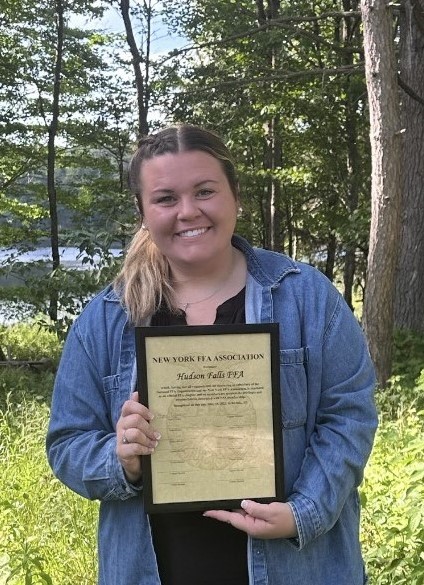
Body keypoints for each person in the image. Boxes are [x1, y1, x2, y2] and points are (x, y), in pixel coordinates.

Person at [46, 124, 378, 585]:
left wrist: (304, 513)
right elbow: (67, 443)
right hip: (155, 567)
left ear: (234, 196)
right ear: (143, 211)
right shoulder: (106, 319)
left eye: (205, 191)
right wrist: (120, 458)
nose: (188, 211)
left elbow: (349, 414)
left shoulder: (306, 297)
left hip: (298, 567)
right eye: (165, 198)